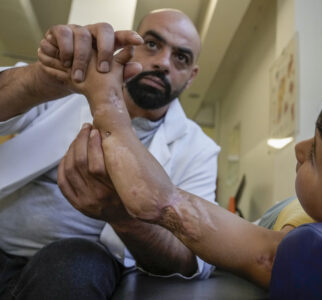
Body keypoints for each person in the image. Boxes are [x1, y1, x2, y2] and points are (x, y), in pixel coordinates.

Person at [63, 53, 322, 291]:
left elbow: (156, 200)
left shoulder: (305, 247)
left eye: (313, 157)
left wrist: (107, 98)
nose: (297, 148)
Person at [0, 9, 220, 299]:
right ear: (128, 46)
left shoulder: (199, 150)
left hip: (72, 263)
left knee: (75, 267)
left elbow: (194, 255)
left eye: (181, 57)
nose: (163, 62)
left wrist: (123, 215)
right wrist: (39, 79)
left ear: (191, 77)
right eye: (152, 44)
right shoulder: (69, 87)